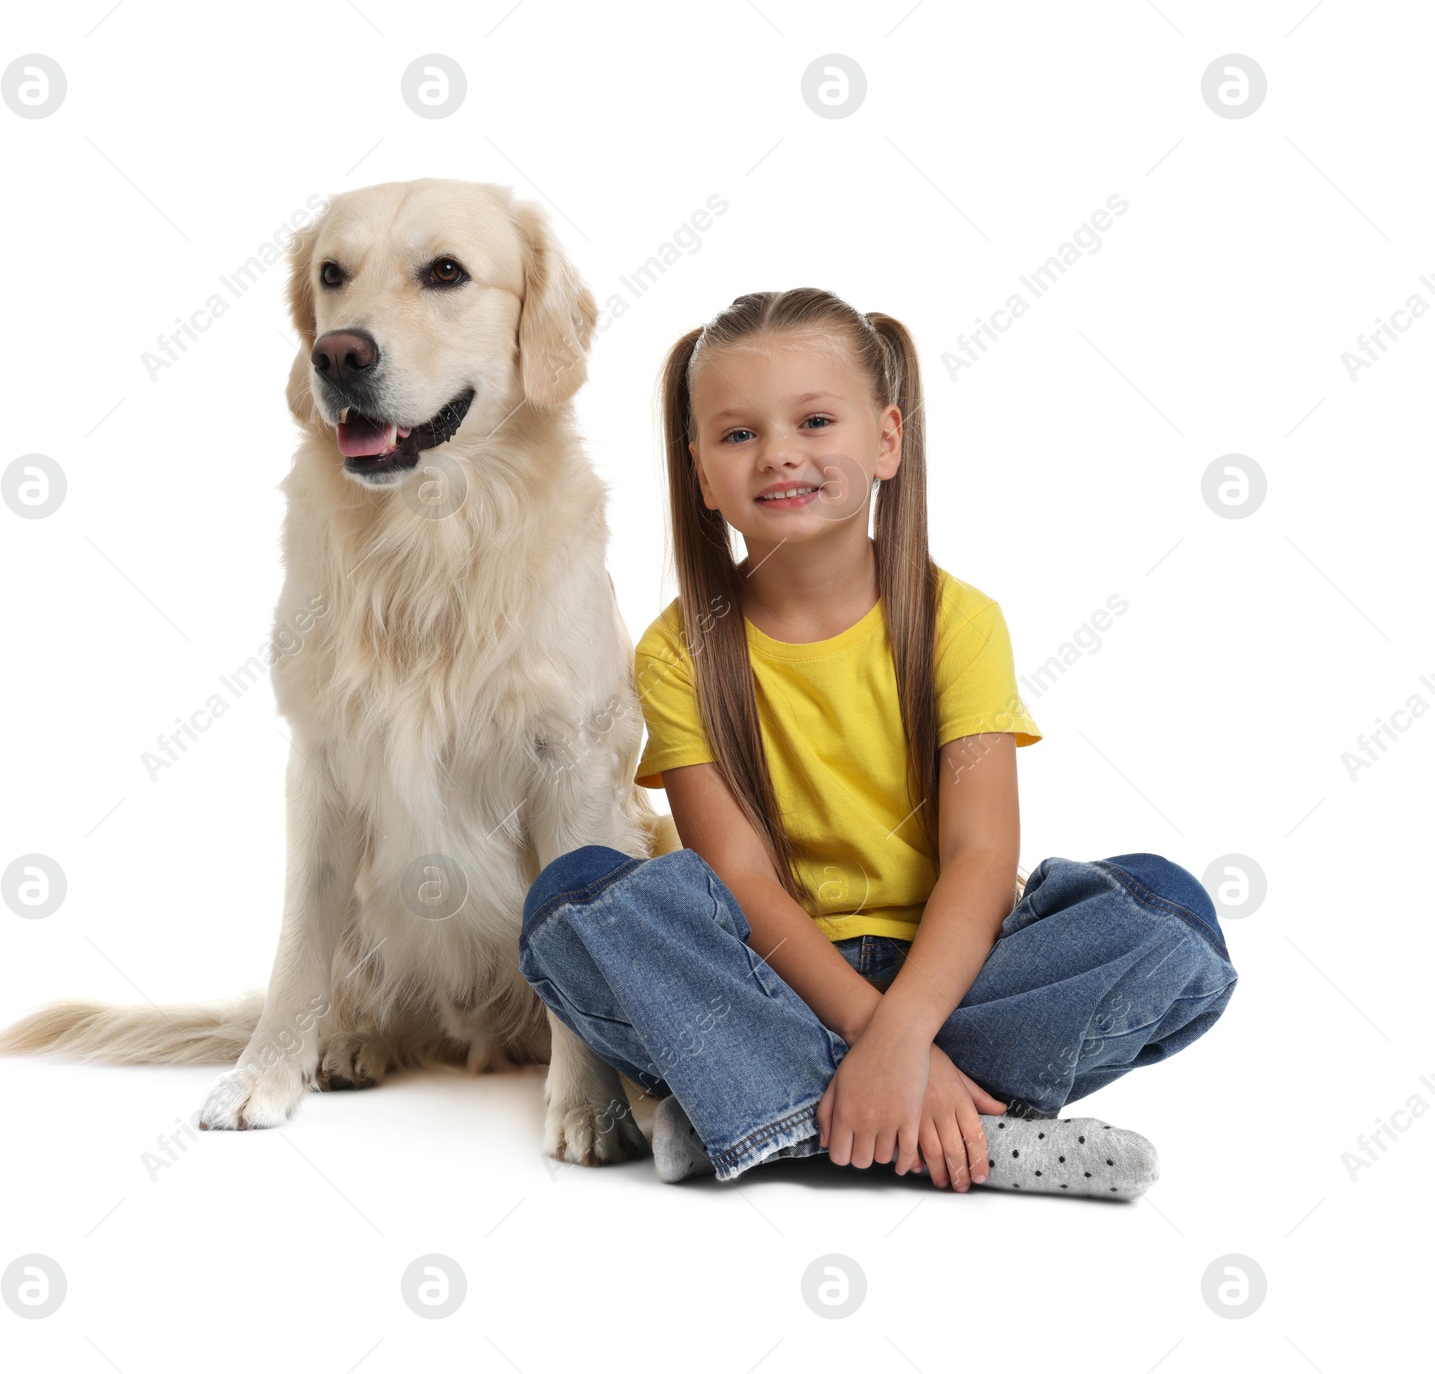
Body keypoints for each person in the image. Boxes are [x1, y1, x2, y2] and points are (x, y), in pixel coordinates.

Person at [518, 289, 1238, 1198]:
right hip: (766, 973)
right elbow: (737, 876)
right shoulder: (680, 648)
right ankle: (964, 1129)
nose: (779, 452)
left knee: (1170, 914)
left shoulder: (958, 624)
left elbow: (981, 858)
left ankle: (762, 1111)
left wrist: (903, 1035)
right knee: (572, 899)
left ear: (888, 440)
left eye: (816, 420)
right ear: (700, 473)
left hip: (958, 975)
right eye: (737, 435)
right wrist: (874, 1033)